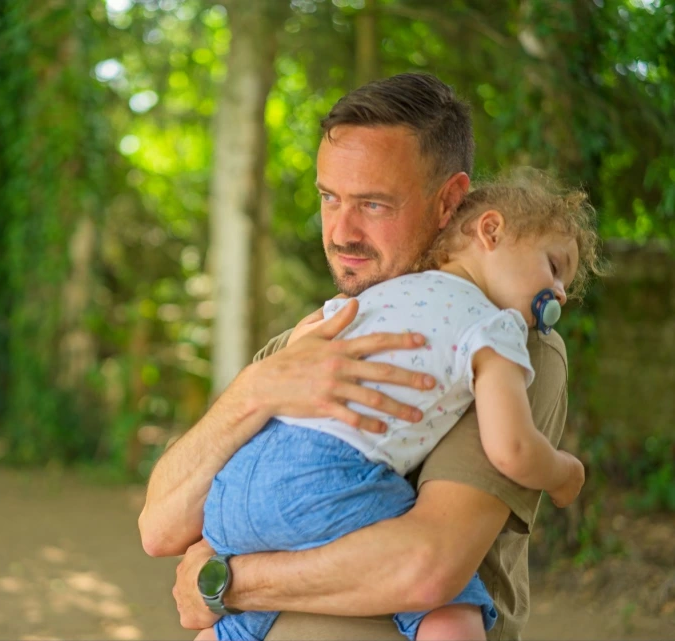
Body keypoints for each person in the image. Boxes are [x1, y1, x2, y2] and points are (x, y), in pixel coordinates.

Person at [138, 73, 581, 640]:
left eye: (373, 203)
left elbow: (425, 564)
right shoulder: (320, 332)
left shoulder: (506, 338)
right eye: (329, 198)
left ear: (449, 200)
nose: (341, 231)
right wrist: (256, 389)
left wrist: (228, 582)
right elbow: (160, 526)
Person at [193, 175, 600, 641]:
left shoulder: (370, 297)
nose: (560, 295)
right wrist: (564, 474)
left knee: (234, 628)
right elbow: (510, 448)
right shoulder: (498, 327)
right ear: (490, 231)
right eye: (553, 268)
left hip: (237, 490)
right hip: (327, 478)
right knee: (449, 606)